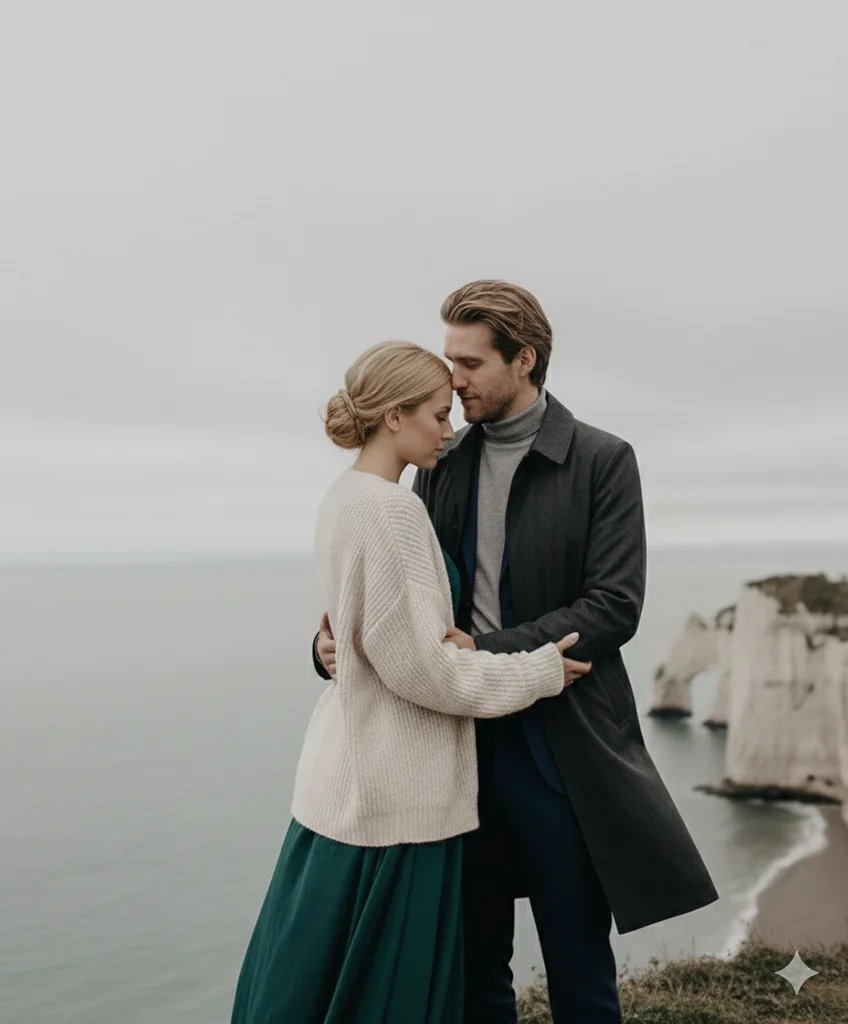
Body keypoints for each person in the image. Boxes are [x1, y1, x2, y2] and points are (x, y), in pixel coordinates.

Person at [314, 281, 720, 1023]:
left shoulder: (602, 459)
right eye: (448, 360)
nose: (452, 378)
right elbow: (387, 583)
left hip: (564, 752)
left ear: (524, 359)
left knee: (578, 970)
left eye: (469, 362)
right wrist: (326, 640)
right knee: (474, 971)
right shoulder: (440, 461)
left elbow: (613, 606)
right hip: (456, 750)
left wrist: (489, 651)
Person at [231, 340, 588, 1024]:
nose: (450, 432)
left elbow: (358, 634)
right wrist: (538, 670)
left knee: (315, 983)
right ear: (393, 417)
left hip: (349, 781)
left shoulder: (346, 497)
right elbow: (425, 673)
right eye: (436, 415)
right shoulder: (392, 511)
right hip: (396, 799)